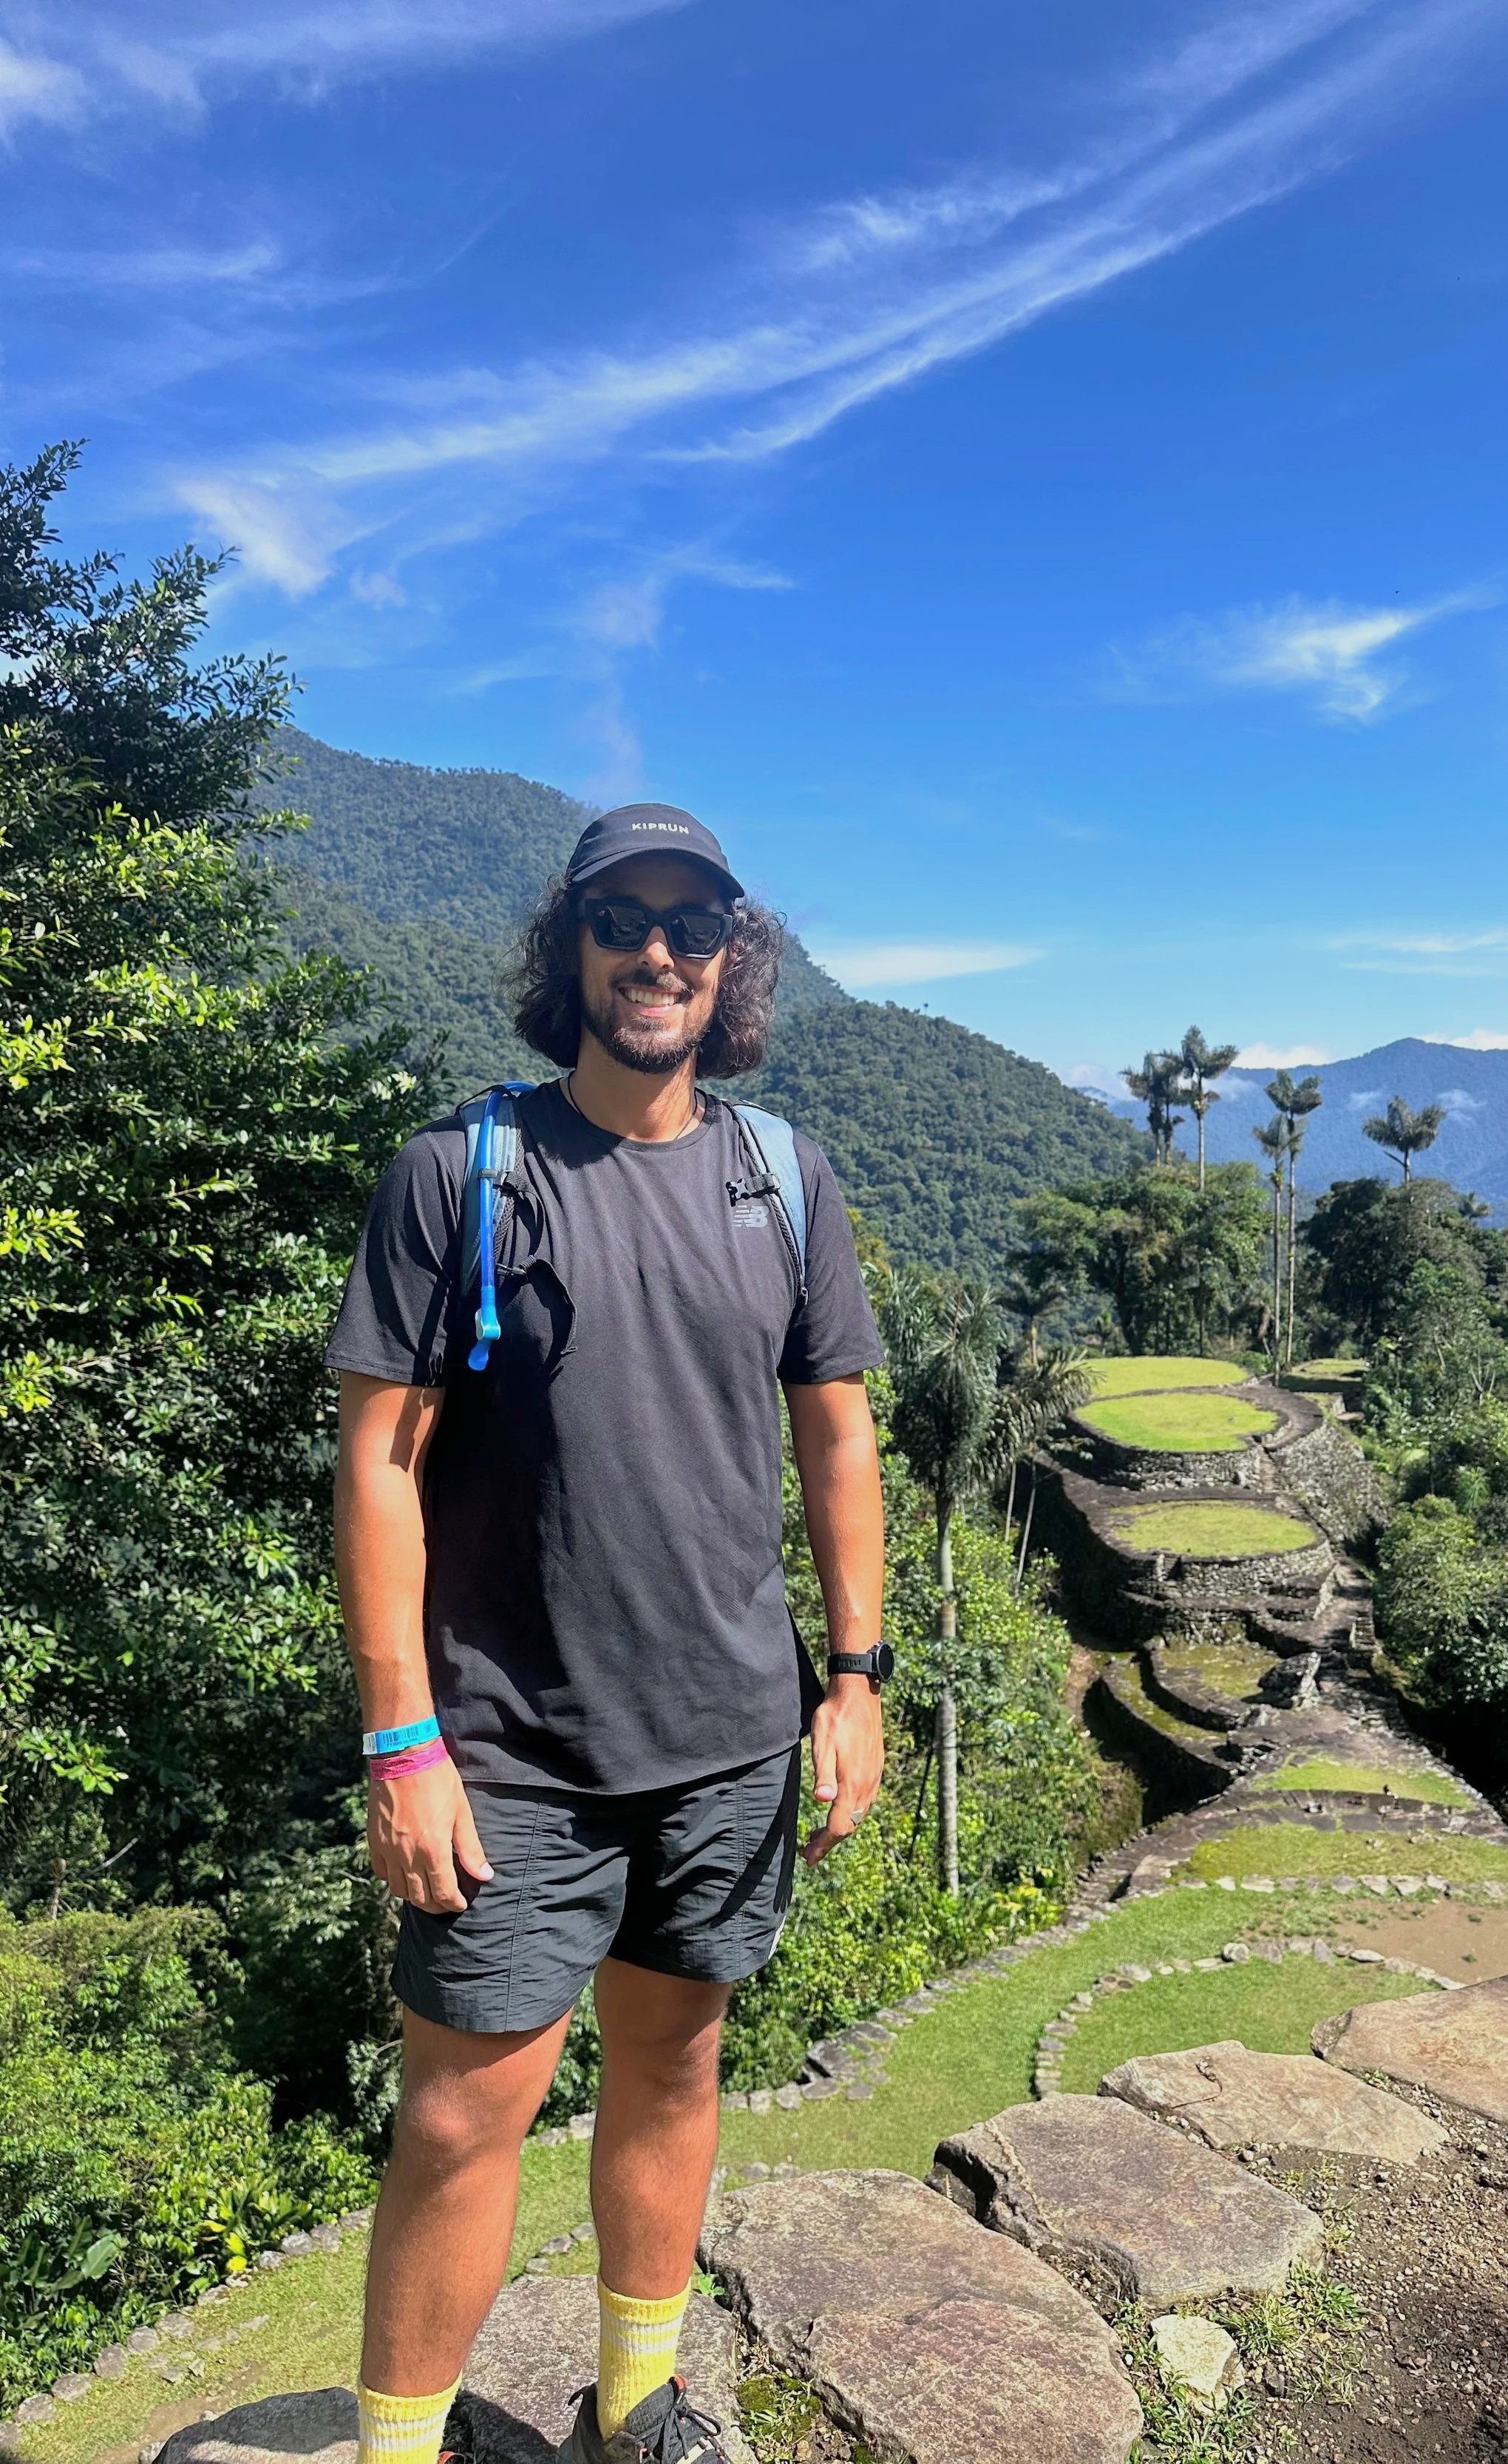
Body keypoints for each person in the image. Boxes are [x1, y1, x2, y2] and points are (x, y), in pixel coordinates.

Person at [326, 803, 889, 2464]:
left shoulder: (781, 1176)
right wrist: (401, 1736)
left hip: (726, 1731)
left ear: (733, 964)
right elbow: (377, 1461)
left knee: (673, 2064)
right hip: (510, 1748)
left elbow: (837, 1433)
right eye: (620, 921)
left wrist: (853, 1680)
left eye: (691, 925)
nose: (657, 951)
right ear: (565, 952)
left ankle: (634, 2409)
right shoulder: (465, 1173)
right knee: (458, 2113)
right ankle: (399, 2450)